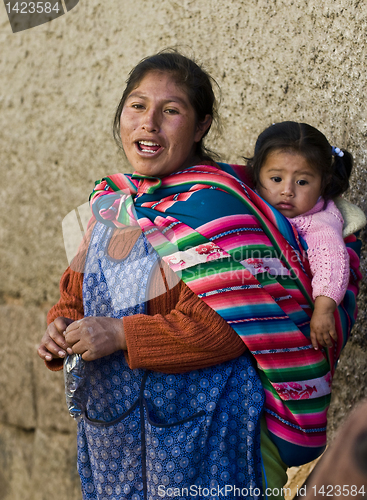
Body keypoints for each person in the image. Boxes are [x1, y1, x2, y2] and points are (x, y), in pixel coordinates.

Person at [37, 52, 361, 500]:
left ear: (201, 125)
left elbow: (230, 327)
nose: (148, 122)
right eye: (137, 105)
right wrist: (60, 328)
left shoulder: (217, 207)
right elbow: (76, 294)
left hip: (207, 435)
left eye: (170, 111)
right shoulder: (113, 202)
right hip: (118, 439)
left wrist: (120, 334)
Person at [246, 122, 365, 351]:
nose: (288, 190)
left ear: (324, 182)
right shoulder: (253, 201)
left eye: (302, 182)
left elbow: (331, 264)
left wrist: (323, 311)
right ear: (256, 174)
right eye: (276, 179)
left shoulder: (319, 224)